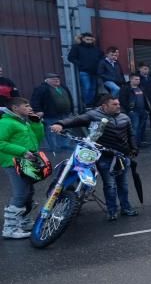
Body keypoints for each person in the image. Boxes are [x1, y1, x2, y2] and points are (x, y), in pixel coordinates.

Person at [51, 94, 138, 221]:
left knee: (123, 185)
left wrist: (134, 148)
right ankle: (112, 211)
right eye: (114, 104)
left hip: (122, 156)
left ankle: (126, 208)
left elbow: (131, 134)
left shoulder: (124, 117)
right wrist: (60, 124)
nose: (118, 106)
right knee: (110, 185)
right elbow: (75, 120)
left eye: (118, 104)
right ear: (104, 106)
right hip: (104, 157)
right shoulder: (93, 115)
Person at [0, 97, 44, 239]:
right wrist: (22, 152)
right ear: (15, 108)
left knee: (28, 192)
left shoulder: (23, 122)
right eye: (26, 106)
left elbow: (37, 139)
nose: (30, 108)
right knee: (21, 193)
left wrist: (37, 124)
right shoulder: (7, 122)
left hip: (25, 161)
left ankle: (23, 222)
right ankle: (10, 229)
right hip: (13, 162)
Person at [30, 73, 74, 155]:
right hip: (50, 115)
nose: (57, 80)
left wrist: (72, 109)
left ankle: (64, 145)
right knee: (52, 131)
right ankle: (53, 148)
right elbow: (35, 100)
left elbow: (70, 98)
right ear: (46, 80)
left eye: (57, 79)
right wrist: (38, 110)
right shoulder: (41, 88)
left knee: (66, 130)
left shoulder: (63, 87)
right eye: (53, 79)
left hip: (65, 114)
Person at [67, 32, 101, 108]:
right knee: (87, 88)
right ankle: (86, 104)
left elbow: (101, 57)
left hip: (95, 71)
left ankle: (90, 105)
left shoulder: (96, 49)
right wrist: (81, 64)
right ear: (82, 39)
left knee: (93, 89)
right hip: (84, 71)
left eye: (91, 39)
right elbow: (71, 58)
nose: (89, 41)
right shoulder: (77, 47)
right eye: (87, 39)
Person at [118, 73, 151, 147]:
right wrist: (130, 110)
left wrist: (147, 110)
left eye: (139, 79)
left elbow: (145, 99)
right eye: (136, 79)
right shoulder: (126, 88)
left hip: (142, 111)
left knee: (140, 128)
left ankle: (138, 143)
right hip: (133, 112)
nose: (138, 81)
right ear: (131, 80)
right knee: (134, 128)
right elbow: (122, 100)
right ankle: (133, 145)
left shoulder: (141, 88)